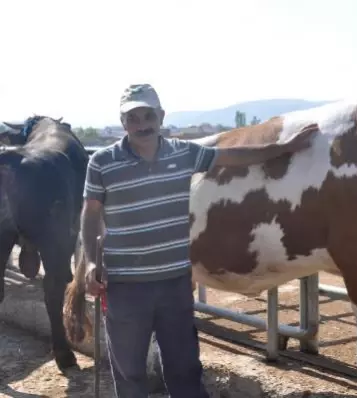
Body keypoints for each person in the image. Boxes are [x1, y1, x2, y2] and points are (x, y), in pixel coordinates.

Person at [80, 83, 316, 397]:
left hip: (175, 284)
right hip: (125, 286)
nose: (141, 124)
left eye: (147, 115)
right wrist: (93, 261)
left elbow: (235, 157)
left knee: (185, 369)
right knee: (130, 373)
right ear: (123, 122)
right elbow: (90, 213)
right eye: (133, 117)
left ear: (161, 116)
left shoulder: (184, 153)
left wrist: (284, 147)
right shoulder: (102, 162)